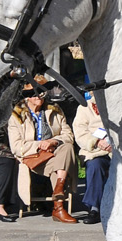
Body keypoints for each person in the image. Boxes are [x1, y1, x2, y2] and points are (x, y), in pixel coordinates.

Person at [8, 79, 78, 223]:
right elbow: (16, 146)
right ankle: (58, 207)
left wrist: (53, 141)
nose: (39, 96)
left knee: (67, 147)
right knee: (61, 165)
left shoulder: (55, 110)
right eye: (34, 94)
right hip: (32, 157)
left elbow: (68, 135)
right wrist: (40, 145)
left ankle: (59, 188)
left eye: (41, 93)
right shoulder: (16, 115)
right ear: (27, 97)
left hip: (54, 153)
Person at [73, 93, 112, 224]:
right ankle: (94, 208)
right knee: (95, 166)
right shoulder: (84, 108)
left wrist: (114, 144)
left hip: (116, 150)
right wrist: (96, 142)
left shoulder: (115, 106)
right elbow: (80, 133)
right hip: (95, 151)